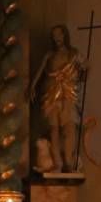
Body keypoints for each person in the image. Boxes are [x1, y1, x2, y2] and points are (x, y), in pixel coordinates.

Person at [30, 24, 86, 172]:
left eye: (59, 35)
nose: (57, 38)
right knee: (53, 128)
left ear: (65, 35)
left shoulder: (74, 53)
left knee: (69, 127)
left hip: (68, 92)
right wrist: (32, 87)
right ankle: (58, 163)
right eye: (54, 36)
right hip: (51, 93)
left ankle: (68, 162)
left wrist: (83, 72)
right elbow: (40, 71)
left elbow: (83, 72)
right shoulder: (49, 55)